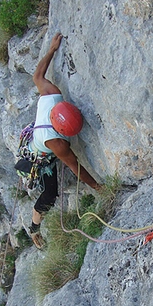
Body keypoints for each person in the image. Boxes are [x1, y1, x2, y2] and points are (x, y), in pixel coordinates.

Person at [27, 32, 101, 249]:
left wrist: (52, 49)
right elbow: (75, 166)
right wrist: (98, 188)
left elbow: (37, 75)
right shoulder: (56, 144)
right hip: (38, 153)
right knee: (50, 194)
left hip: (38, 136)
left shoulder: (52, 94)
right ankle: (34, 229)